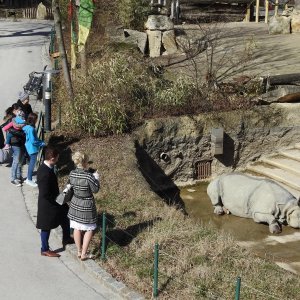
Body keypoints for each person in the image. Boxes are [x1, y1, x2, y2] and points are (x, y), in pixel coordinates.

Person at [36, 146, 74, 257]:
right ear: (52, 158)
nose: (58, 159)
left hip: (54, 202)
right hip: (48, 205)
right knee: (46, 227)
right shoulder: (45, 173)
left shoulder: (46, 168)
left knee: (65, 216)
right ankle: (44, 249)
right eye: (57, 158)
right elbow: (44, 193)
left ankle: (66, 238)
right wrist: (58, 200)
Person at [68, 151, 100, 261]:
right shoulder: (89, 176)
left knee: (76, 227)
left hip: (75, 202)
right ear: (85, 162)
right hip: (86, 205)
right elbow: (95, 190)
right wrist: (96, 178)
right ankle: (84, 254)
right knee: (89, 229)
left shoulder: (72, 173)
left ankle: (79, 251)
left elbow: (70, 186)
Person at [22, 112, 45, 187]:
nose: (37, 120)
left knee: (31, 163)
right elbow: (33, 141)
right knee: (32, 164)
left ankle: (29, 178)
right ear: (34, 119)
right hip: (32, 148)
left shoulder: (26, 127)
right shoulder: (31, 129)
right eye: (36, 119)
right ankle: (29, 179)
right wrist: (41, 143)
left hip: (27, 146)